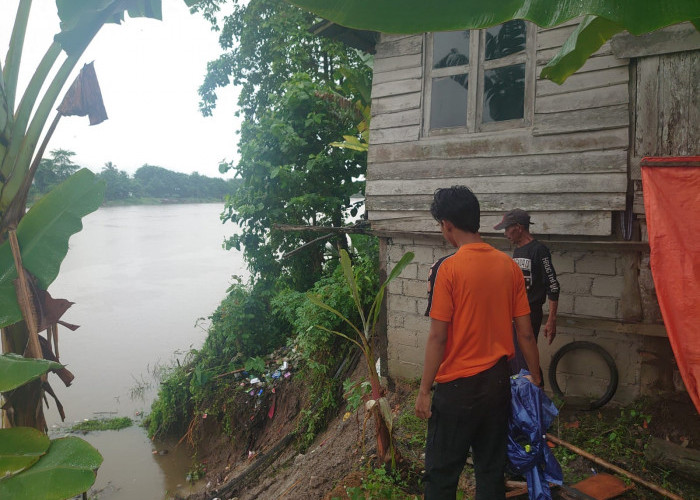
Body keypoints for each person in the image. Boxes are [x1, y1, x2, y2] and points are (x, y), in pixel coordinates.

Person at [415, 186, 542, 500]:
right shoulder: (508, 266)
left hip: (457, 390)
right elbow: (525, 333)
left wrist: (423, 389)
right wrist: (536, 376)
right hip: (498, 384)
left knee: (442, 475)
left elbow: (438, 336)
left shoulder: (449, 269)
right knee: (490, 470)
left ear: (447, 224)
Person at [494, 209, 560, 376]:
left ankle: (536, 392)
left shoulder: (539, 250)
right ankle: (524, 393)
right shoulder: (518, 251)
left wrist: (552, 319)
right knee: (515, 358)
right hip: (515, 313)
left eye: (507, 229)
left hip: (530, 313)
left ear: (519, 227)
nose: (505, 234)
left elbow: (552, 285)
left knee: (525, 357)